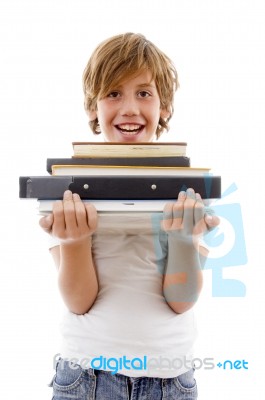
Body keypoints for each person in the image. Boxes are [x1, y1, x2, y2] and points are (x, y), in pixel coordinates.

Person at [40, 32, 219, 400]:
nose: (129, 108)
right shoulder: (72, 192)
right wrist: (74, 241)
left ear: (164, 106)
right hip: (87, 375)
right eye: (113, 93)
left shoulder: (186, 192)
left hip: (169, 380)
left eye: (144, 93)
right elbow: (79, 302)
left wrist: (185, 240)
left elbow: (181, 300)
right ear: (93, 107)